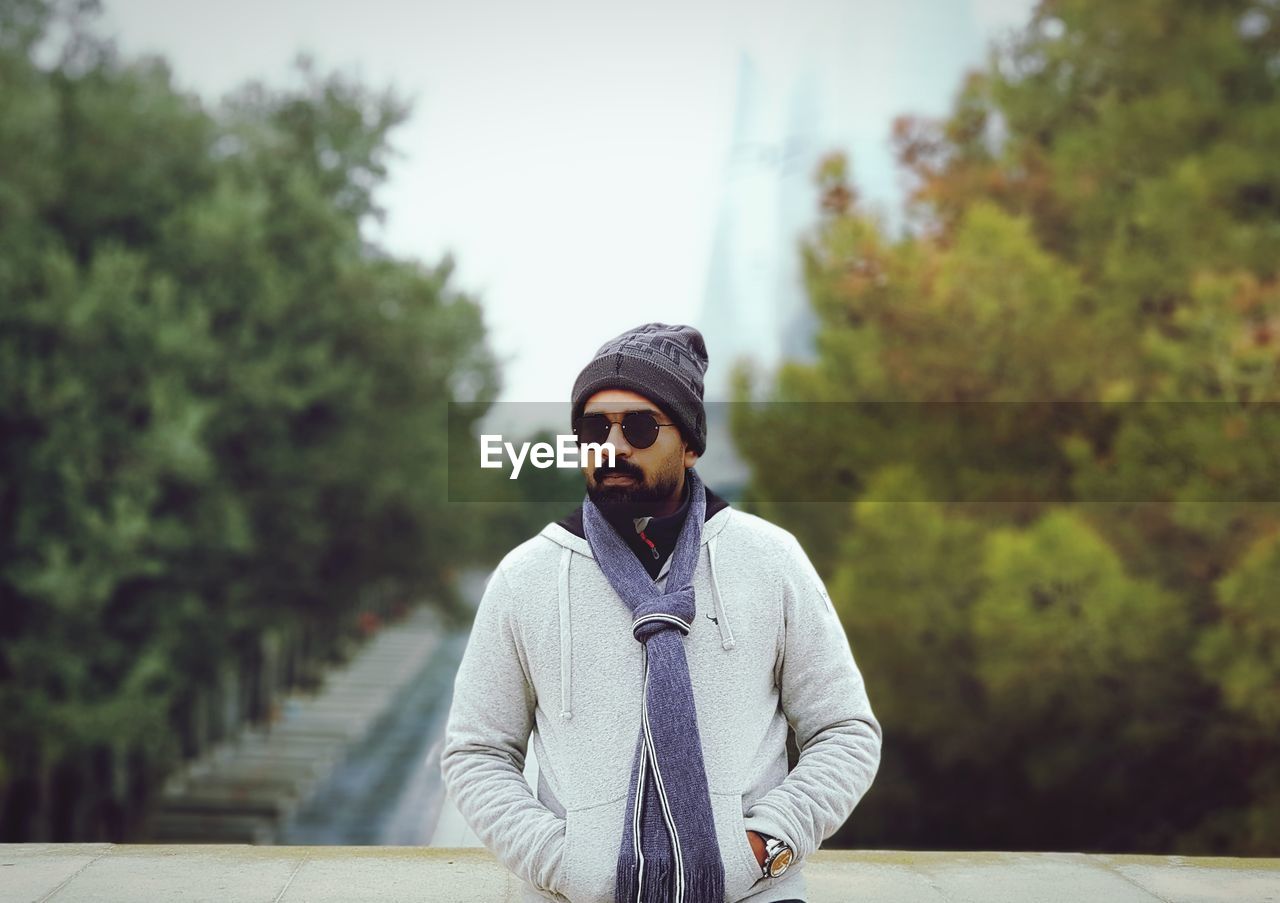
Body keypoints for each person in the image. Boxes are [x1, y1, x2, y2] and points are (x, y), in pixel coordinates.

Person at [441, 322, 881, 903]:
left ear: (690, 443)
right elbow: (477, 752)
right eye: (595, 428)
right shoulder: (527, 576)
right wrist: (561, 862)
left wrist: (769, 842)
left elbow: (845, 730)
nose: (614, 447)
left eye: (641, 427)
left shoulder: (770, 559)